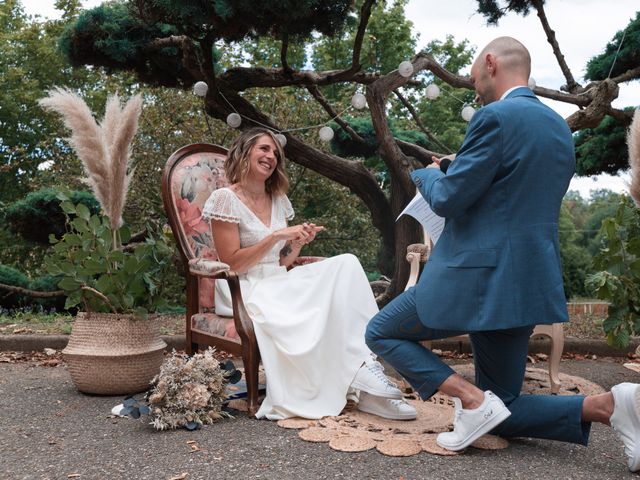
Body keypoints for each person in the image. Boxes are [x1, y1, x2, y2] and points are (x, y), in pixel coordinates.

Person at [365, 36, 640, 471]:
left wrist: (430, 174)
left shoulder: (493, 117)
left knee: (382, 331)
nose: (474, 88)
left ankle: (472, 401)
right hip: (526, 281)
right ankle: (610, 406)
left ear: (491, 63)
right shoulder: (557, 129)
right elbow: (510, 193)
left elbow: (451, 200)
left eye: (474, 78)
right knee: (505, 409)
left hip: (475, 279)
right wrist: (460, 168)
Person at [201, 127, 417, 421]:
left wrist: (297, 243)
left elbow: (284, 261)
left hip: (277, 279)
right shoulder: (225, 198)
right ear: (245, 151)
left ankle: (365, 371)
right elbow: (232, 264)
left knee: (347, 264)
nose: (271, 156)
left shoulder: (277, 198)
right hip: (246, 286)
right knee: (325, 291)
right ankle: (359, 381)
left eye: (276, 153)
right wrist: (277, 235)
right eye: (264, 149)